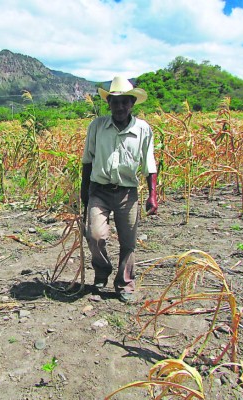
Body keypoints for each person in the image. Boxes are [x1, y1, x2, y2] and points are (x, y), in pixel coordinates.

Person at [80, 76, 158, 303]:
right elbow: (87, 160)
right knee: (94, 236)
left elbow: (149, 164)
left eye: (125, 102)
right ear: (109, 104)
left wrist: (152, 195)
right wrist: (84, 193)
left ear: (132, 103)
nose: (120, 107)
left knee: (128, 241)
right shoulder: (97, 127)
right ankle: (102, 270)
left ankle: (124, 283)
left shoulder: (143, 130)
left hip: (127, 193)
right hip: (99, 190)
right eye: (116, 102)